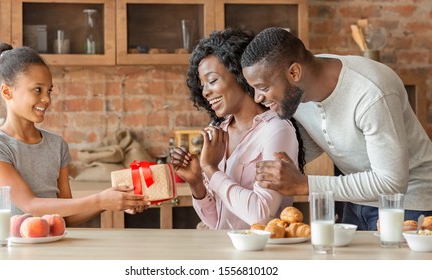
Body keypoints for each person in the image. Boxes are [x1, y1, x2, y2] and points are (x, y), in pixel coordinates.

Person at [240, 27, 432, 230]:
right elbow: (321, 139)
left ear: (294, 72)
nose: (257, 97)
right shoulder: (298, 91)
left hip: (407, 205)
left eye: (262, 88)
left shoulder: (371, 93)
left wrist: (305, 184)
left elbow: (391, 183)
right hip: (356, 201)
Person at [0, 43, 149, 226]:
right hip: (15, 250)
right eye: (38, 89)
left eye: (49, 90)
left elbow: (67, 216)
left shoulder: (56, 145)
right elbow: (30, 205)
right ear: (7, 91)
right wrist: (99, 199)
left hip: (55, 245)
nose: (47, 99)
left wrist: (112, 201)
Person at [170, 29, 305, 230]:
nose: (206, 92)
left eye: (212, 80)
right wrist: (197, 182)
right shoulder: (219, 131)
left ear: (240, 75)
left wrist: (211, 169)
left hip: (264, 255)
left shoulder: (276, 130)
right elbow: (217, 222)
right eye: (202, 85)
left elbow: (260, 215)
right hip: (225, 253)